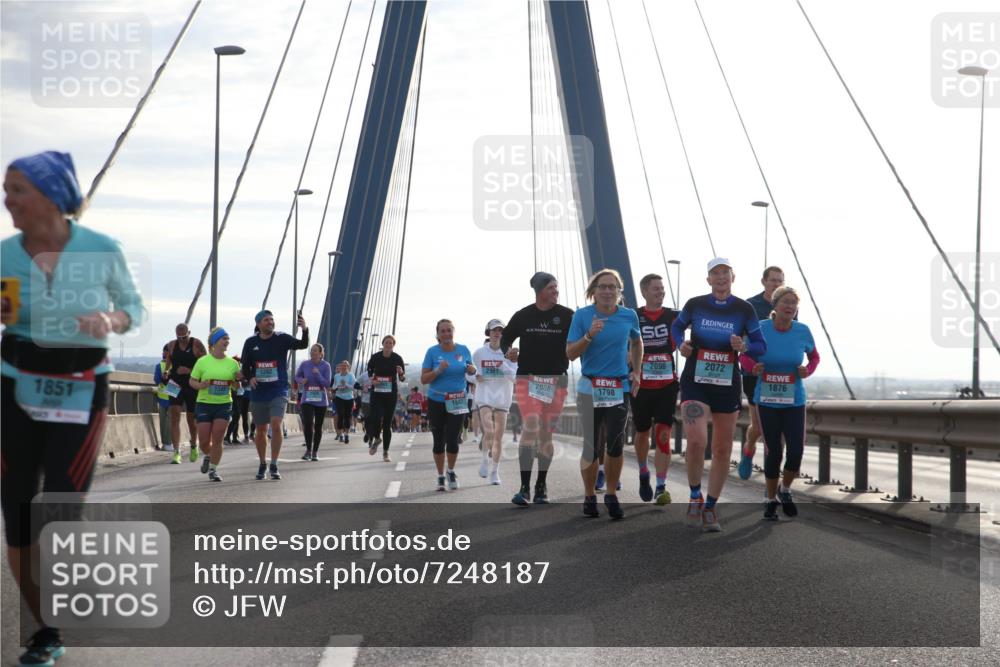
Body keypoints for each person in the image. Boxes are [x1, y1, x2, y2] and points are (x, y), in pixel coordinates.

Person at [1, 151, 145, 666]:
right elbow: (6, 315)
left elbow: (135, 309)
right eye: (5, 188)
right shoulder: (6, 256)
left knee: (59, 509)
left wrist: (109, 318)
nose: (7, 199)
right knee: (18, 516)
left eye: (17, 189)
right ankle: (46, 628)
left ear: (50, 195)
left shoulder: (101, 250)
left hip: (81, 391)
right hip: (16, 388)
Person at [671, 257, 766, 532]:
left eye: (725, 273)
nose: (721, 277)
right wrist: (681, 344)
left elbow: (761, 345)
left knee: (722, 449)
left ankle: (711, 507)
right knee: (697, 440)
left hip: (727, 383)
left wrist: (744, 345)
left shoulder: (744, 309)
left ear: (733, 278)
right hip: (695, 382)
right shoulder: (695, 304)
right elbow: (677, 327)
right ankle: (693, 495)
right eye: (715, 273)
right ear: (708, 279)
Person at [566, 269, 642, 520]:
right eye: (602, 287)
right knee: (591, 446)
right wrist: (589, 335)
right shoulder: (582, 316)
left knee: (616, 444)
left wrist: (637, 371)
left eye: (613, 287)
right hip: (590, 387)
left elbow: (637, 342)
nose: (607, 291)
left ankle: (611, 494)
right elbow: (570, 354)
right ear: (593, 291)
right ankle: (589, 495)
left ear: (620, 292)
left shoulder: (628, 316)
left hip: (618, 387)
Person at [740, 286, 819, 520]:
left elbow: (814, 357)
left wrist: (808, 370)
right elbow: (743, 355)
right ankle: (770, 499)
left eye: (794, 303)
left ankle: (785, 490)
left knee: (796, 451)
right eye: (786, 302)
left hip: (794, 400)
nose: (790, 307)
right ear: (774, 305)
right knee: (773, 451)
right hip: (766, 400)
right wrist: (752, 367)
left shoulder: (802, 331)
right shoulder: (761, 329)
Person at [500, 271, 574, 506]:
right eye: (551, 288)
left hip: (556, 381)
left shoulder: (567, 315)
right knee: (531, 424)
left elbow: (582, 339)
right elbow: (505, 338)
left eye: (557, 288)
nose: (556, 292)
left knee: (546, 435)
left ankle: (541, 485)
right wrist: (507, 351)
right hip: (528, 379)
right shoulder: (523, 316)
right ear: (540, 291)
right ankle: (524, 488)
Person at [240, 309, 309, 480]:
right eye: (266, 320)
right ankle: (263, 463)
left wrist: (305, 329)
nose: (270, 322)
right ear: (258, 324)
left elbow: (303, 345)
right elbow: (245, 368)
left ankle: (274, 464)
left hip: (278, 389)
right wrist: (251, 377)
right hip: (259, 392)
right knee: (261, 430)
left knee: (276, 424)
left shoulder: (282, 338)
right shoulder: (250, 343)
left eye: (272, 319)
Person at [632, 273, 680, 504]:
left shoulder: (673, 316)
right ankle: (643, 471)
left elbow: (699, 323)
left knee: (663, 434)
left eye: (662, 289)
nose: (660, 292)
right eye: (655, 289)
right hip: (641, 385)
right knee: (642, 433)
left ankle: (661, 486)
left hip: (667, 384)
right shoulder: (634, 316)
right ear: (644, 292)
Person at [739, 266, 789, 479]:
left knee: (781, 429)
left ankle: (773, 470)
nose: (776, 284)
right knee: (758, 428)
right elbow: (741, 341)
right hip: (754, 374)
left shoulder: (789, 305)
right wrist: (749, 364)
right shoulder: (750, 305)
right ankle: (749, 450)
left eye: (780, 281)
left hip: (779, 374)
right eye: (773, 280)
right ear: (763, 282)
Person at [420, 319, 476, 491]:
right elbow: (424, 379)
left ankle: (451, 471)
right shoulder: (432, 352)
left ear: (453, 332)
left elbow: (470, 367)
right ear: (437, 334)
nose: (446, 334)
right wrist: (438, 370)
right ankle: (440, 476)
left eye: (449, 330)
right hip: (436, 400)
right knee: (438, 441)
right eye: (442, 331)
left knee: (453, 439)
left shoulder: (463, 349)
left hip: (458, 399)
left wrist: (471, 369)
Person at [189, 327, 241, 482]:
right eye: (224, 338)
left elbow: (237, 388)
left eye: (228, 339)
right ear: (214, 342)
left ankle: (213, 469)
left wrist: (237, 381)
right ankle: (208, 455)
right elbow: (192, 381)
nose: (227, 341)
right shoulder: (202, 362)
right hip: (204, 403)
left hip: (223, 404)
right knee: (204, 440)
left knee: (218, 438)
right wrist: (200, 386)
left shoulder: (233, 364)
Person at [474, 319, 518, 485]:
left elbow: (515, 379)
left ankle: (495, 471)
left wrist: (504, 366)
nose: (497, 333)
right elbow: (472, 375)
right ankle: (485, 459)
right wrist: (473, 376)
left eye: (500, 330)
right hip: (484, 396)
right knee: (489, 431)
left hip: (502, 398)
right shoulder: (478, 353)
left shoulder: (511, 353)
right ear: (489, 333)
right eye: (494, 330)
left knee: (498, 436)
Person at [164, 322, 206, 464]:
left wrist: (190, 370)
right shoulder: (171, 345)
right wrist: (166, 370)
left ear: (189, 333)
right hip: (175, 383)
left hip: (191, 383)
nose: (182, 339)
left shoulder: (196, 344)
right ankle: (176, 452)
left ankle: (194, 445)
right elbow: (168, 359)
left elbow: (205, 363)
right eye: (179, 337)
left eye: (184, 336)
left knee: (191, 419)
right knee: (174, 414)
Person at [366, 335, 405, 461]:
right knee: (376, 418)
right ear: (383, 344)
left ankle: (385, 452)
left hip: (390, 393)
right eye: (386, 342)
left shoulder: (397, 358)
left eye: (391, 343)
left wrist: (400, 373)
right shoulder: (376, 357)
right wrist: (372, 379)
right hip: (377, 392)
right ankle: (377, 438)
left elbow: (403, 378)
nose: (388, 345)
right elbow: (370, 371)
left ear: (393, 345)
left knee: (387, 424)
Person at [296, 343, 332, 461]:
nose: (313, 352)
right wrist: (301, 380)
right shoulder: (305, 364)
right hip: (307, 399)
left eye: (315, 351)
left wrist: (318, 374)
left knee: (318, 426)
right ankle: (308, 450)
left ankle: (315, 451)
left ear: (321, 353)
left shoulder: (326, 366)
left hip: (321, 400)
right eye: (311, 350)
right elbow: (297, 377)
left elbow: (327, 384)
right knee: (308, 422)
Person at [225, 355, 250, 445]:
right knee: (235, 416)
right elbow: (237, 382)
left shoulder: (239, 371)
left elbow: (243, 382)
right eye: (237, 362)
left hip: (240, 395)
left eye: (239, 362)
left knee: (237, 417)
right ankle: (227, 437)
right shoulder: (232, 371)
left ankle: (234, 437)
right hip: (234, 394)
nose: (238, 364)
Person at [153, 345, 173, 452]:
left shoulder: (159, 366)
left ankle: (166, 443)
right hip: (171, 397)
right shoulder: (175, 366)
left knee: (163, 422)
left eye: (165, 351)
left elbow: (156, 380)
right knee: (169, 422)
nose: (164, 353)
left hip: (162, 397)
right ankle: (168, 443)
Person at [332, 360, 355, 443]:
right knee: (340, 415)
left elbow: (353, 387)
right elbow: (334, 386)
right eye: (342, 365)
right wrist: (336, 387)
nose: (343, 367)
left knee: (347, 416)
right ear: (340, 367)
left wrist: (346, 384)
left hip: (349, 398)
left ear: (348, 367)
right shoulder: (336, 376)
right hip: (339, 397)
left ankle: (346, 434)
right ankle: (341, 434)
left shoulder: (351, 376)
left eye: (345, 366)